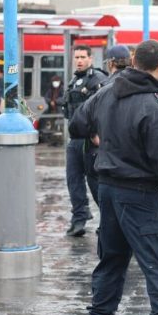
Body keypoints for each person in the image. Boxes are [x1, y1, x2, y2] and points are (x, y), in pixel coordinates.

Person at [69, 40, 158, 315]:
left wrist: (102, 137)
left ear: (134, 61)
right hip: (139, 193)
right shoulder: (152, 105)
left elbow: (77, 124)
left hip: (107, 188)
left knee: (112, 257)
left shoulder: (107, 91)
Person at [62, 45, 108, 237]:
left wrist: (98, 134)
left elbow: (104, 109)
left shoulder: (98, 80)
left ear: (91, 58)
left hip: (90, 140)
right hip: (75, 139)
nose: (79, 60)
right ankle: (79, 218)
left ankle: (108, 221)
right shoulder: (73, 81)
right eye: (77, 57)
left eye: (83, 57)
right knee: (73, 181)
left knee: (94, 181)